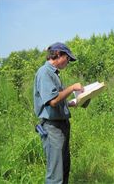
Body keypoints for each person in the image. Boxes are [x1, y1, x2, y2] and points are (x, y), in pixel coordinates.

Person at [33, 42, 84, 184]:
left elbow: (55, 100)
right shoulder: (44, 72)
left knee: (64, 167)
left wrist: (70, 103)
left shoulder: (54, 74)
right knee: (56, 174)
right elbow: (53, 101)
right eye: (67, 58)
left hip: (61, 126)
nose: (68, 62)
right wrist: (72, 87)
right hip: (52, 128)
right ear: (58, 54)